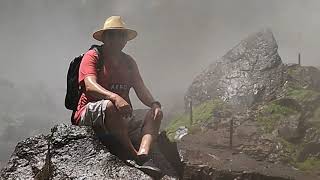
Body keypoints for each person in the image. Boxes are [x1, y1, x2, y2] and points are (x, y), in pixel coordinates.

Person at [72, 16, 163, 174]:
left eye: (122, 36)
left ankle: (143, 153)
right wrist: (114, 97)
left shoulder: (128, 62)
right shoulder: (93, 56)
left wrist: (154, 104)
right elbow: (89, 85)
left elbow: (141, 89)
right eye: (113, 35)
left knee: (155, 114)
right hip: (88, 112)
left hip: (121, 117)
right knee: (109, 106)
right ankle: (132, 155)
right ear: (105, 37)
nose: (118, 39)